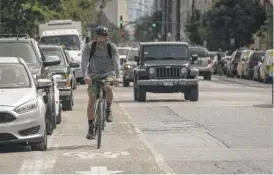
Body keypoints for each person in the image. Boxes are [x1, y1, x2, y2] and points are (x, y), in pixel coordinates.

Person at [81, 26, 121, 140]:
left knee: (108, 88)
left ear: (107, 37)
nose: (101, 39)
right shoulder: (90, 47)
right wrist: (85, 76)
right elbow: (84, 62)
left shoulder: (111, 47)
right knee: (92, 98)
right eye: (99, 37)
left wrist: (117, 77)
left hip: (108, 73)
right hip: (94, 75)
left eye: (104, 37)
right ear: (96, 37)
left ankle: (108, 108)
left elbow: (117, 62)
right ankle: (91, 128)